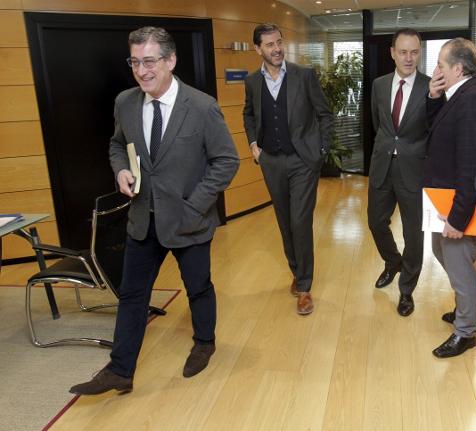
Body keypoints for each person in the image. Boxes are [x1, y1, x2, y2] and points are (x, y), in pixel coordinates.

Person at [70, 26, 239, 395]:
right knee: (132, 296)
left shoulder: (202, 106)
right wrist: (121, 171)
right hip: (142, 219)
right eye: (135, 62)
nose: (142, 71)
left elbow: (226, 162)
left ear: (171, 60)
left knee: (198, 288)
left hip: (189, 220)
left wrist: (194, 204)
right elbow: (117, 146)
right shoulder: (125, 103)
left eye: (149, 61)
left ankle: (205, 342)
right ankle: (120, 370)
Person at [243, 23, 333, 315]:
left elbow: (324, 114)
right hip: (270, 160)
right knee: (284, 221)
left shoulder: (303, 75)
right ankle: (296, 271)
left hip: (302, 161)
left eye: (279, 42)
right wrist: (254, 144)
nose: (277, 48)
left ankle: (305, 287)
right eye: (269, 44)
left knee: (300, 221)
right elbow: (249, 113)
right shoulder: (252, 81)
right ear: (258, 49)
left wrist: (320, 152)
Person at [425, 38, 476, 358]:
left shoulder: (472, 100)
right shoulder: (461, 95)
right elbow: (437, 129)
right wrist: (434, 96)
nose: (436, 70)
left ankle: (466, 331)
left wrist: (458, 217)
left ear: (458, 67)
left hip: (458, 202)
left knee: (460, 264)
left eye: (441, 64)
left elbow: (472, 164)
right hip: (444, 197)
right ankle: (469, 307)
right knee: (440, 248)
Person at [367, 28, 430, 317]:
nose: (408, 57)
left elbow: (434, 129)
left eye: (414, 52)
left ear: (420, 52)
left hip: (413, 170)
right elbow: (377, 123)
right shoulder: (379, 85)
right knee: (376, 222)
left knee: (413, 234)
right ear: (392, 52)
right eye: (403, 51)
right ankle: (392, 262)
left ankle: (406, 290)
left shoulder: (430, 88)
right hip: (382, 165)